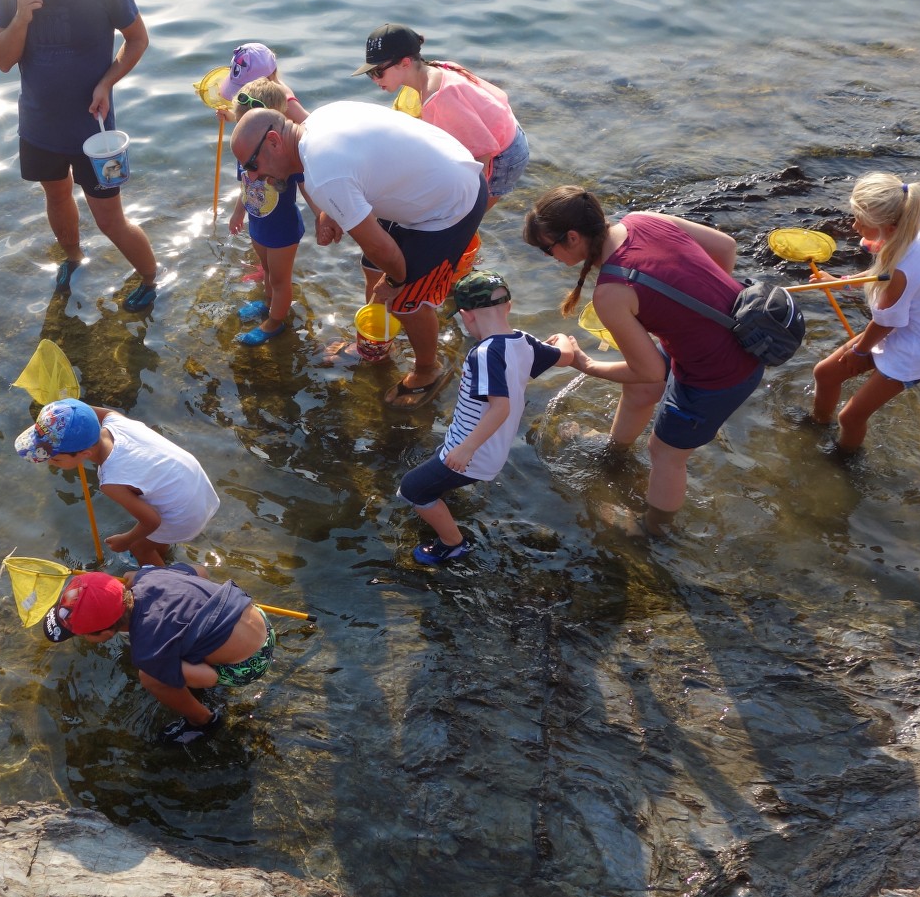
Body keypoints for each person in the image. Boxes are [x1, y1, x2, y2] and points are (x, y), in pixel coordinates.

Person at [523, 187, 763, 537]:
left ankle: (653, 529)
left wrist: (584, 363)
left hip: (721, 373)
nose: (549, 256)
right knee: (640, 389)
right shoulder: (643, 220)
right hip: (739, 334)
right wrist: (700, 311)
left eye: (548, 248)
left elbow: (649, 368)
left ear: (572, 237)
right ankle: (614, 452)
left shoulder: (611, 292)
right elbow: (725, 247)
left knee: (665, 452)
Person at [230, 102, 487, 409]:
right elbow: (354, 173)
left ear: (273, 140)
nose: (255, 177)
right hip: (439, 173)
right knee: (373, 270)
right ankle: (375, 345)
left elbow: (382, 249)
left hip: (451, 205)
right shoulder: (319, 120)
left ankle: (427, 369)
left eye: (252, 165)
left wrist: (395, 282)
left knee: (406, 301)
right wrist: (331, 210)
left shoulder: (324, 177)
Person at [0, 0, 160, 312]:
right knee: (56, 195)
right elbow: (1, 59)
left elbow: (137, 40)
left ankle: (152, 276)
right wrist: (20, 20)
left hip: (92, 128)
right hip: (38, 123)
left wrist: (107, 82)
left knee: (109, 218)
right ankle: (73, 258)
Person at [398, 271, 577, 563]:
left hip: (474, 451)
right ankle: (447, 495)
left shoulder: (483, 354)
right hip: (490, 448)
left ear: (467, 316)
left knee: (412, 490)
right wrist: (563, 340)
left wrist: (466, 448)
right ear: (508, 306)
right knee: (436, 477)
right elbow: (565, 357)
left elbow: (500, 407)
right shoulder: (524, 342)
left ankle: (453, 544)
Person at [41, 565, 272, 746]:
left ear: (107, 632)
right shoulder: (149, 576)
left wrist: (182, 673)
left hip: (250, 663)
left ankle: (203, 721)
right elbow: (201, 570)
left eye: (83, 634)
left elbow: (208, 678)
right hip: (258, 617)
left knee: (151, 677)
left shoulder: (148, 650)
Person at [810, 173, 920, 450]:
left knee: (850, 417)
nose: (854, 226)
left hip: (917, 350)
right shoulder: (916, 227)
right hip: (904, 327)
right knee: (824, 374)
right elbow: (881, 275)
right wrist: (842, 284)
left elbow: (885, 322)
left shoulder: (903, 270)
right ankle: (816, 426)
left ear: (889, 227)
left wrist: (859, 352)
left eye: (861, 223)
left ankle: (844, 460)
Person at [16, 398, 219, 565]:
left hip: (185, 517)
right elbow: (85, 411)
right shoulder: (114, 420)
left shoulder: (110, 480)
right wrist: (66, 410)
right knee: (152, 537)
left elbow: (152, 521)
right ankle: (160, 549)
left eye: (55, 458)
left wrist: (126, 540)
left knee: (139, 547)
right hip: (199, 489)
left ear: (85, 453)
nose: (50, 463)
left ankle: (168, 586)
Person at [354, 23, 530, 210]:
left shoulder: (440, 98)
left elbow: (482, 154)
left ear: (405, 63)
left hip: (504, 155)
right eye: (369, 74)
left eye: (378, 72)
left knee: (464, 220)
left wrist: (468, 207)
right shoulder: (432, 69)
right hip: (504, 128)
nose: (375, 80)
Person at [227, 76, 308, 345]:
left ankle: (275, 321)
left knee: (281, 279)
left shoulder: (287, 155)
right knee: (266, 270)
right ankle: (268, 303)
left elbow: (306, 187)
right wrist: (238, 212)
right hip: (258, 223)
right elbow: (245, 185)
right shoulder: (246, 153)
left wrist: (323, 215)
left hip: (282, 229)